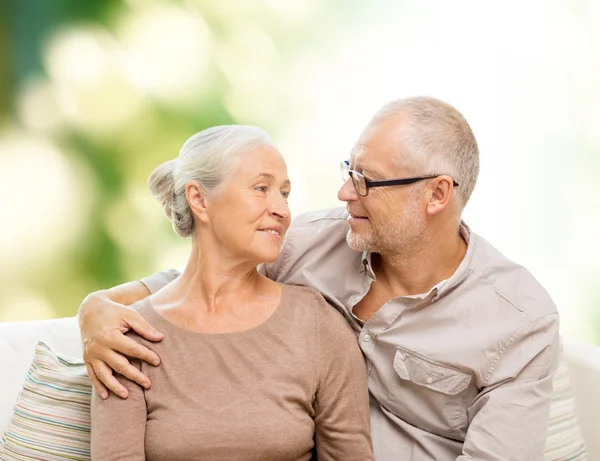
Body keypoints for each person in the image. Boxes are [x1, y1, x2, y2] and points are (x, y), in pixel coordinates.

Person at [81, 97, 560, 460]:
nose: (344, 191)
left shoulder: (519, 323)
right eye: (350, 169)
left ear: (436, 195)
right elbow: (209, 282)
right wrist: (97, 308)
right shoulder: (311, 243)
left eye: (367, 180)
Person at [89, 125, 374, 461]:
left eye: (284, 193)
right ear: (199, 200)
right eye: (261, 188)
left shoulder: (317, 324)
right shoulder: (127, 337)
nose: (281, 210)